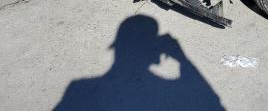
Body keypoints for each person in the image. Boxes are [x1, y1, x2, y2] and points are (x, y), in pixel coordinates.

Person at [54, 15, 224, 110]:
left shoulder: (78, 88)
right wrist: (182, 58)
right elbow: (214, 103)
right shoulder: (173, 92)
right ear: (154, 50)